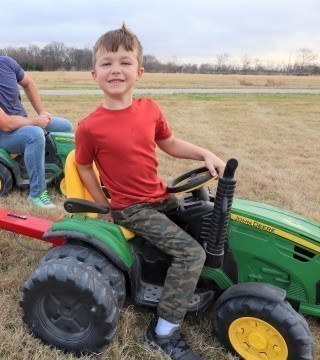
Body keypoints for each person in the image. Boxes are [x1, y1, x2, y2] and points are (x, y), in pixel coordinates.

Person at [74, 24, 226, 360]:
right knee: (191, 253)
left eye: (125, 62)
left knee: (209, 223)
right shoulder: (89, 127)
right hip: (132, 208)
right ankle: (163, 332)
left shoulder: (150, 109)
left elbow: (168, 143)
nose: (116, 69)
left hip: (161, 198)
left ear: (139, 72)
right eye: (107, 63)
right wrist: (104, 206)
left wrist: (204, 153)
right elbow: (84, 166)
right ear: (94, 74)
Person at [0, 36, 73, 208]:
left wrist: (41, 113)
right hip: (0, 134)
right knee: (35, 134)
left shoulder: (5, 63)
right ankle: (37, 193)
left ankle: (60, 167)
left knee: (65, 125)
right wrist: (34, 122)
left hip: (21, 122)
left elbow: (28, 83)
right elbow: (6, 124)